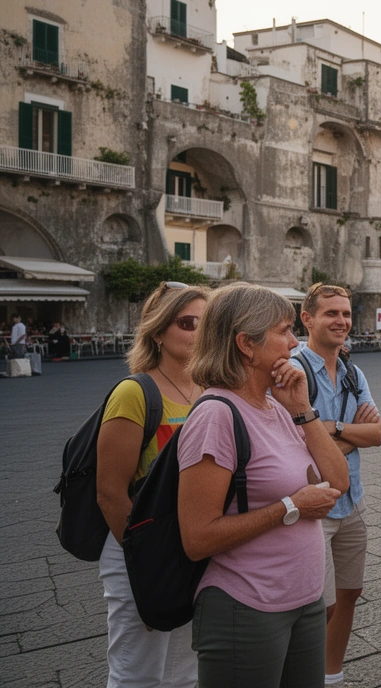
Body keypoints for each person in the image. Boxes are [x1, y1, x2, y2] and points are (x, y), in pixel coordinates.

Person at [177, 282, 349, 687]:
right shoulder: (216, 416)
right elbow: (197, 537)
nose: (294, 341)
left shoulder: (277, 406)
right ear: (246, 344)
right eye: (284, 330)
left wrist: (303, 410)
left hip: (304, 600)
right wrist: (291, 507)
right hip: (247, 604)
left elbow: (338, 481)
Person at [96, 281, 210, 688]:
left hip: (192, 547)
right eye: (186, 323)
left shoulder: (210, 392)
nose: (198, 332)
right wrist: (145, 566)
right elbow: (110, 491)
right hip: (141, 546)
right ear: (158, 332)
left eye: (205, 322)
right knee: (137, 672)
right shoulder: (134, 393)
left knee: (184, 671)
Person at [289, 284, 381, 686]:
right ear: (307, 319)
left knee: (349, 594)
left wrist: (332, 429)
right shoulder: (293, 370)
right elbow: (293, 443)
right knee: (318, 606)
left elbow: (378, 433)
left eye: (345, 314)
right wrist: (348, 435)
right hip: (316, 505)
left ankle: (333, 675)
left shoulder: (351, 369)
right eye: (331, 313)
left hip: (353, 500)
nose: (341, 321)